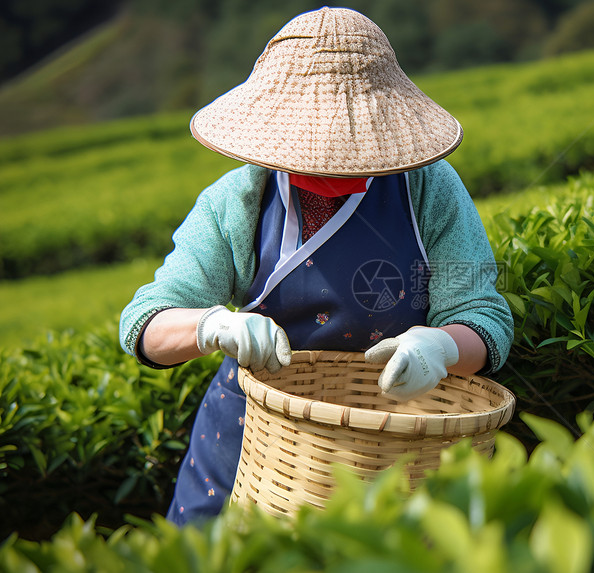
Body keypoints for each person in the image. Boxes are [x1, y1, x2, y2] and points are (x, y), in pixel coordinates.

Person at [119, 6, 513, 526]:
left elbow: (485, 315)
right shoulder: (238, 202)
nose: (331, 163)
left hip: (387, 445)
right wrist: (212, 326)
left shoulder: (429, 189)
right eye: (314, 150)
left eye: (351, 149)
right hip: (250, 445)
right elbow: (144, 322)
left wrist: (441, 347)